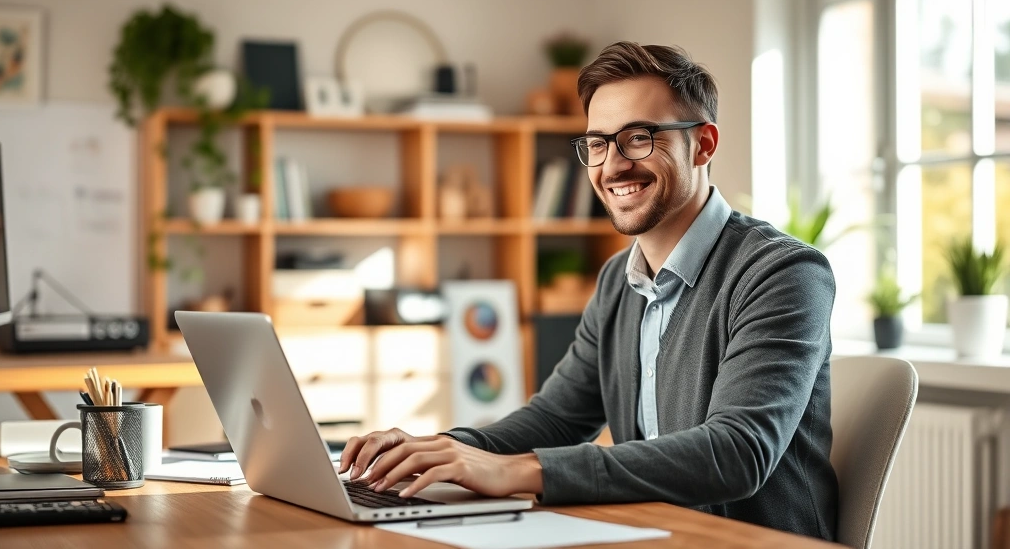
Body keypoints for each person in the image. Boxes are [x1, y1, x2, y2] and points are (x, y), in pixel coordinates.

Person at [339, 41, 838, 541]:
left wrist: (521, 471)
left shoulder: (783, 272)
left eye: (639, 138)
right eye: (598, 144)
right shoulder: (618, 279)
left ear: (703, 144)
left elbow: (737, 453)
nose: (612, 165)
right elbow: (557, 419)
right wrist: (440, 450)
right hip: (653, 536)